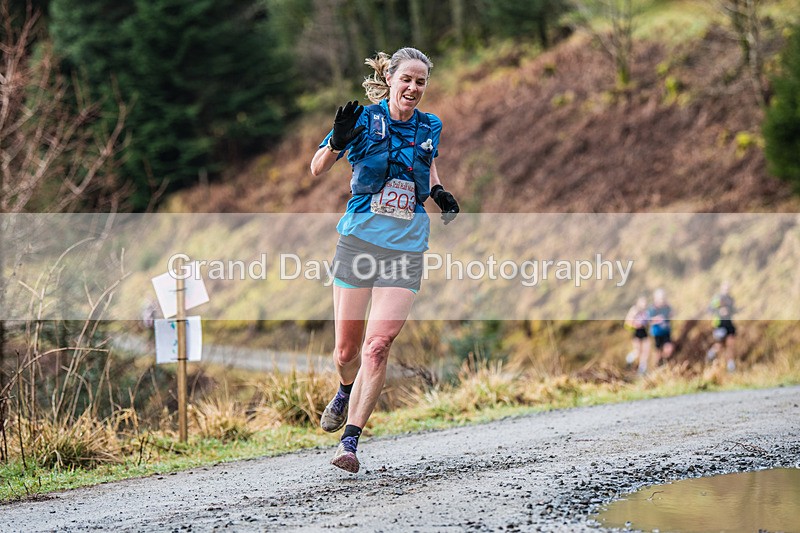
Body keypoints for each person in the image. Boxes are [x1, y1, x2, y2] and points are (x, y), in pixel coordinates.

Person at [309, 47, 459, 473]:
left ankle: (350, 442)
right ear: (390, 79)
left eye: (421, 82)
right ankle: (343, 389)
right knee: (346, 351)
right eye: (406, 79)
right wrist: (336, 140)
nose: (413, 88)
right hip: (359, 242)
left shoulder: (431, 125)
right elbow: (318, 167)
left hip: (407, 246)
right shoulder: (361, 119)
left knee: (377, 347)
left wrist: (439, 192)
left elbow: (426, 166)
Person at [707, 281, 737, 372]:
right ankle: (711, 354)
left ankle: (730, 365)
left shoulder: (731, 299)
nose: (727, 290)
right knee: (719, 345)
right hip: (720, 324)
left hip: (729, 324)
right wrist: (719, 312)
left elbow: (732, 310)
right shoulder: (718, 298)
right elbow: (710, 309)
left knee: (730, 344)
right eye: (725, 288)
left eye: (728, 288)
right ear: (722, 288)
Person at [624, 295, 650, 375]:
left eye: (645, 302)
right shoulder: (634, 310)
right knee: (637, 351)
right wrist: (635, 325)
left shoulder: (646, 311)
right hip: (636, 332)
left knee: (645, 351)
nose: (644, 304)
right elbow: (627, 323)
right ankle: (629, 360)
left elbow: (647, 322)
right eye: (642, 302)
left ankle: (642, 370)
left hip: (644, 332)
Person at [647, 288, 674, 366]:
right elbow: (648, 320)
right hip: (657, 333)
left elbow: (671, 315)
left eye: (663, 298)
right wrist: (656, 319)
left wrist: (670, 316)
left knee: (669, 349)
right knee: (657, 352)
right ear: (655, 299)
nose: (662, 300)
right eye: (660, 298)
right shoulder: (652, 308)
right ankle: (656, 366)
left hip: (666, 332)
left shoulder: (667, 307)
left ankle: (664, 362)